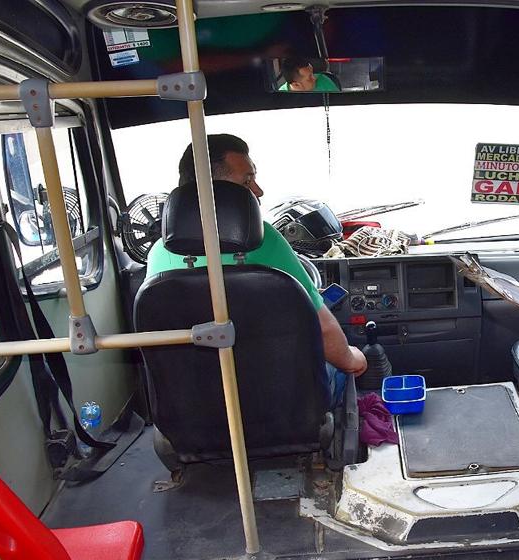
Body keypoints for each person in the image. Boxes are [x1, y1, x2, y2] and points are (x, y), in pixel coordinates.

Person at [145, 134, 367, 389]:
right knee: (342, 368)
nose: (258, 191)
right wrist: (353, 360)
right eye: (247, 180)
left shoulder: (158, 254)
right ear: (213, 190)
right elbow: (323, 330)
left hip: (191, 415)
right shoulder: (266, 241)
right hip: (282, 409)